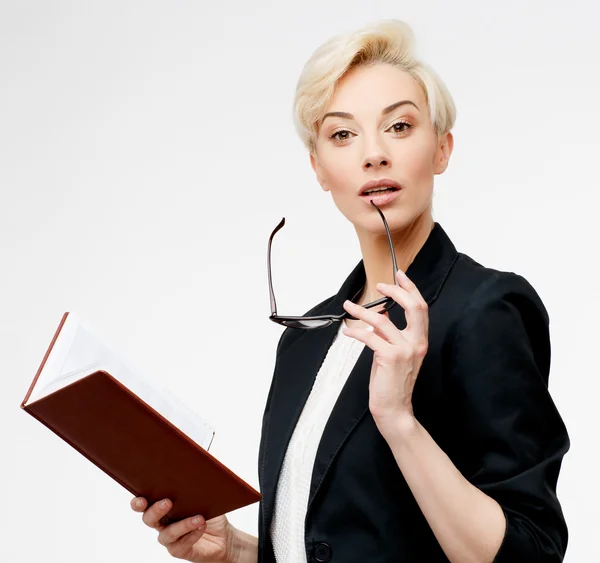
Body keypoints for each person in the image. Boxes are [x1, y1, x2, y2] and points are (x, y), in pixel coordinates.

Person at [131, 19, 569, 562]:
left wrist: (400, 421)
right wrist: (236, 552)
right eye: (343, 134)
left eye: (400, 127)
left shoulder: (486, 310)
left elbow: (531, 552)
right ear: (319, 167)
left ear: (442, 149)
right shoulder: (305, 337)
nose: (373, 154)